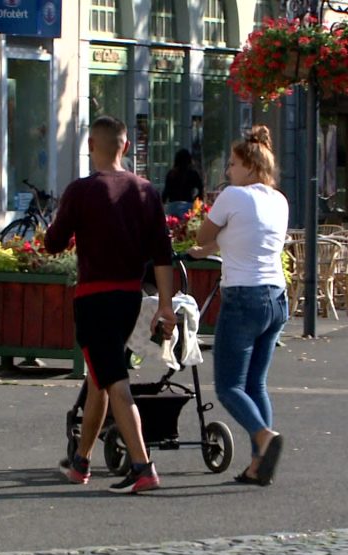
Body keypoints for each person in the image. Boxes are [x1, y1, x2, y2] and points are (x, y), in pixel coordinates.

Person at [46, 116, 176, 494]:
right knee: (99, 378)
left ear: (91, 145)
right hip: (129, 298)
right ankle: (81, 461)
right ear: (125, 146)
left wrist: (58, 232)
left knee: (114, 381)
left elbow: (54, 242)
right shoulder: (145, 190)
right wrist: (165, 305)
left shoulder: (82, 191)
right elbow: (162, 253)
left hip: (94, 298)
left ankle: (143, 466)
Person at [188, 125, 288, 487]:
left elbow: (203, 233)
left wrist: (203, 246)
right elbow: (248, 239)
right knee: (256, 383)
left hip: (243, 297)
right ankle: (259, 464)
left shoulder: (234, 195)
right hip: (276, 296)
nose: (228, 171)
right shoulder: (278, 200)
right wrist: (213, 249)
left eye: (231, 164)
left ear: (248, 165)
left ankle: (263, 437)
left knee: (229, 385)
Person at [161, 148, 204, 218]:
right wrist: (196, 200)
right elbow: (200, 189)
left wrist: (162, 205)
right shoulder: (192, 174)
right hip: (187, 205)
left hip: (173, 206)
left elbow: (166, 192)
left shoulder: (171, 174)